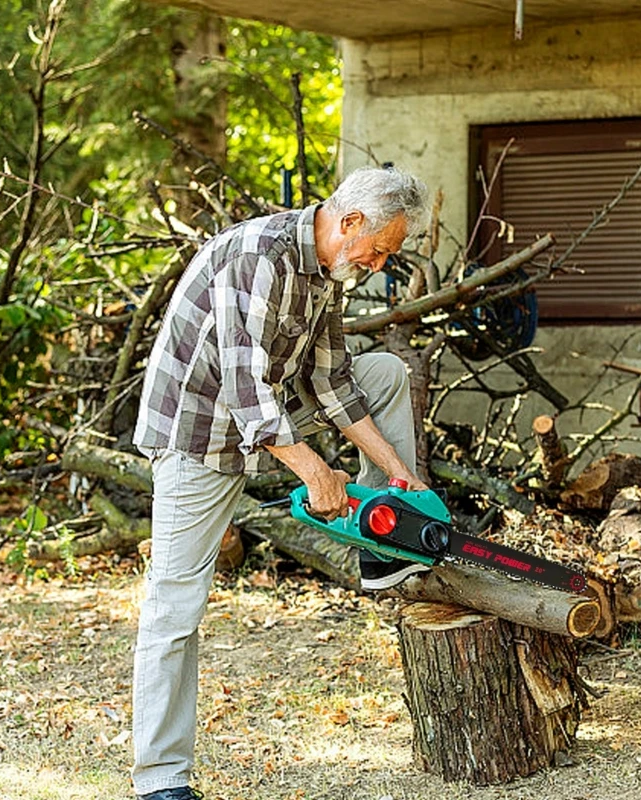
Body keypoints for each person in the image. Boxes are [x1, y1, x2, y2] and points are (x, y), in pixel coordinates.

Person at [131, 166, 430, 800]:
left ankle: (386, 544)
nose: (378, 265)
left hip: (259, 414)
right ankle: (161, 781)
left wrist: (396, 468)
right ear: (349, 223)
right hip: (197, 433)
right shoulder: (259, 256)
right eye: (379, 250)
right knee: (175, 608)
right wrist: (317, 471)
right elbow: (245, 389)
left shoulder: (328, 273)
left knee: (384, 373)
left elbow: (332, 382)